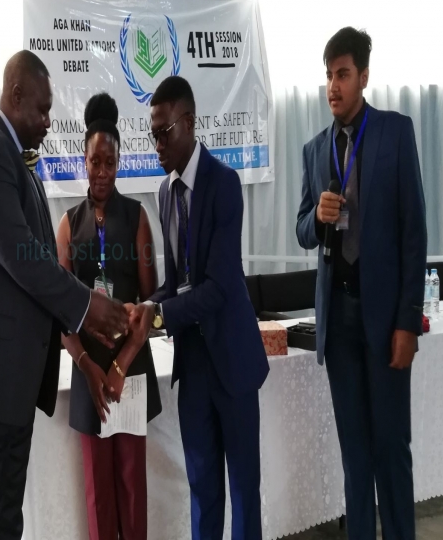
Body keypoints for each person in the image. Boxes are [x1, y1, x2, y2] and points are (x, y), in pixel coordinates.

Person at [0, 50, 129, 540]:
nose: (48, 122)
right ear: (15, 95)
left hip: (8, 385)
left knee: (3, 523)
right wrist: (87, 306)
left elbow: (37, 270)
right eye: (42, 109)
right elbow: (25, 260)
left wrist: (83, 332)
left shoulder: (18, 164)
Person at [296, 27, 426, 540]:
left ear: (364, 77)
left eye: (343, 74)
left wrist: (407, 322)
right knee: (355, 454)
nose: (333, 86)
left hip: (385, 318)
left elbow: (414, 233)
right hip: (339, 320)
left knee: (391, 447)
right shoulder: (314, 150)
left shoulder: (396, 133)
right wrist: (318, 217)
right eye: (329, 76)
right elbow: (301, 229)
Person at [131, 76, 269, 540]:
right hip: (192, 367)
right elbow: (177, 283)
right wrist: (145, 305)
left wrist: (157, 316)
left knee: (243, 491)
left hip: (232, 361)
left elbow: (219, 287)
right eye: (152, 134)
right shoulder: (164, 193)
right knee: (203, 490)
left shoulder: (224, 184)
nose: (157, 145)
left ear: (188, 123)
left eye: (164, 132)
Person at [56, 93, 161, 540]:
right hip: (89, 374)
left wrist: (121, 363)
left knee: (132, 488)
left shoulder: (137, 218)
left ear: (120, 163)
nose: (101, 172)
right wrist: (87, 364)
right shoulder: (68, 224)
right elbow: (61, 314)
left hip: (130, 369)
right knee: (98, 493)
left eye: (110, 162)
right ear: (84, 161)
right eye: (94, 162)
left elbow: (152, 302)